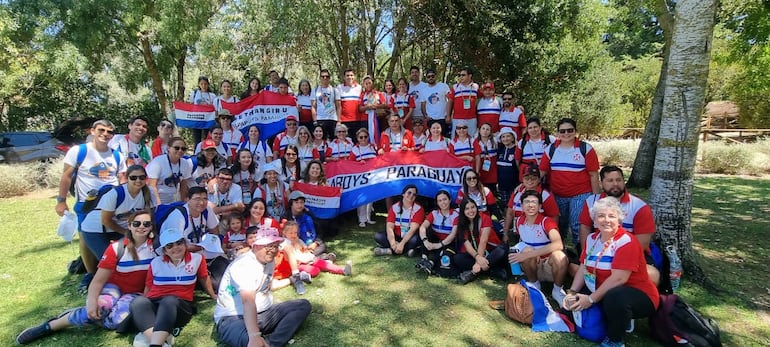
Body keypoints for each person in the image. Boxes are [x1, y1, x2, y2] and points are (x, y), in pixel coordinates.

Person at [16, 212, 155, 345]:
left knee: (117, 321)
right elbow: (98, 280)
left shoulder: (155, 249)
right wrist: (91, 302)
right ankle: (50, 326)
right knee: (97, 309)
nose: (141, 226)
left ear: (151, 227)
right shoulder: (117, 247)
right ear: (129, 226)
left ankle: (86, 313)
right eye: (136, 223)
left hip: (136, 293)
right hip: (113, 288)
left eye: (146, 223)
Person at [563, 197, 659, 347]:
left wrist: (590, 300)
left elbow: (618, 279)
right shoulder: (591, 239)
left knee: (615, 297)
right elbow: (583, 267)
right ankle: (616, 318)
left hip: (637, 294)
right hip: (601, 289)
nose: (606, 220)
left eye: (611, 216)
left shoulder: (626, 241)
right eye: (601, 216)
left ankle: (615, 340)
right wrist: (572, 292)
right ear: (594, 220)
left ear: (619, 220)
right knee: (570, 306)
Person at [56, 119, 127, 293]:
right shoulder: (79, 151)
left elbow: (123, 179)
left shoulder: (116, 155)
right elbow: (66, 176)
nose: (105, 134)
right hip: (87, 204)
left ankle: (116, 268)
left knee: (116, 233)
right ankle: (90, 273)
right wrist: (61, 201)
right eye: (101, 130)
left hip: (111, 203)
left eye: (109, 132)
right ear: (92, 131)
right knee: (85, 237)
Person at [213, 225, 311, 347]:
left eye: (275, 246)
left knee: (302, 305)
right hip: (232, 318)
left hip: (263, 314)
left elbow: (266, 286)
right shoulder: (244, 264)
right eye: (268, 246)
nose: (272, 250)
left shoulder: (268, 259)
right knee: (251, 342)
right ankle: (258, 340)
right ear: (256, 245)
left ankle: (271, 342)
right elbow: (248, 301)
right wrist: (254, 336)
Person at [131, 228, 217, 347]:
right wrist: (145, 304)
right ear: (165, 250)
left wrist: (213, 295)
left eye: (179, 243)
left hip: (180, 305)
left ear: (185, 244)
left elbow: (204, 278)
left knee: (169, 300)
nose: (176, 248)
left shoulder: (197, 259)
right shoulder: (156, 262)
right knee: (138, 301)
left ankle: (155, 343)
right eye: (170, 246)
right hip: (156, 301)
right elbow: (149, 286)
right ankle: (160, 343)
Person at [578, 165, 660, 284]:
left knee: (652, 275)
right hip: (598, 250)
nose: (615, 184)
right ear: (601, 184)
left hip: (629, 255)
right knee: (574, 267)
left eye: (619, 180)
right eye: (610, 181)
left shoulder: (639, 206)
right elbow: (584, 227)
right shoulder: (591, 201)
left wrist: (615, 261)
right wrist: (586, 253)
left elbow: (642, 243)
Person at [540, 117, 601, 247]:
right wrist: (525, 186)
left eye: (570, 130)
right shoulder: (551, 149)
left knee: (577, 224)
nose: (566, 134)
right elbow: (542, 172)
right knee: (558, 224)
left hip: (580, 194)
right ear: (557, 133)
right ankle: (559, 252)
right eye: (562, 131)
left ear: (575, 131)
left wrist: (596, 199)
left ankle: (581, 253)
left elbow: (594, 175)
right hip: (557, 194)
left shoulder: (585, 149)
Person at [508, 190, 569, 303]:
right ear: (522, 205)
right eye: (527, 202)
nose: (530, 205)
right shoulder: (519, 221)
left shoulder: (546, 221)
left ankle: (557, 290)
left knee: (559, 256)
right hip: (533, 266)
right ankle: (535, 286)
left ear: (540, 206)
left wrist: (530, 253)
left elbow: (558, 244)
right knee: (526, 250)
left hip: (549, 266)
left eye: (534, 202)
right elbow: (523, 241)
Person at [83, 164, 157, 238]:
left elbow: (150, 217)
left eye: (142, 177)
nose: (138, 180)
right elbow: (105, 220)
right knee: (112, 250)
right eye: (133, 178)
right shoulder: (115, 193)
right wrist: (126, 233)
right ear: (127, 178)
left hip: (122, 230)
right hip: (96, 229)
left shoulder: (149, 192)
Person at [455, 198, 507, 284]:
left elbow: (483, 241)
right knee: (458, 258)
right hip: (476, 252)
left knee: (502, 249)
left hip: (491, 250)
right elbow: (467, 244)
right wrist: (477, 258)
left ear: (476, 207)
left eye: (473, 207)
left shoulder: (484, 218)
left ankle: (474, 272)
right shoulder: (461, 222)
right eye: (467, 209)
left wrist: (477, 263)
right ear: (463, 211)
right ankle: (492, 271)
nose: (471, 211)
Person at [281, 220, 352, 278]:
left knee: (323, 264)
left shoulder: (299, 240)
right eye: (291, 233)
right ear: (284, 232)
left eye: (295, 233)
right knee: (315, 271)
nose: (293, 235)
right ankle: (302, 275)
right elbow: (286, 257)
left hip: (309, 260)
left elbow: (304, 249)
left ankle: (343, 270)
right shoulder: (284, 242)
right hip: (298, 265)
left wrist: (300, 245)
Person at [503, 164, 560, 235]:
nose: (530, 180)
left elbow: (554, 216)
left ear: (539, 180)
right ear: (522, 179)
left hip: (539, 234)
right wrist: (505, 233)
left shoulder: (545, 195)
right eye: (527, 178)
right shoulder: (517, 192)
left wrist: (550, 235)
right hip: (518, 232)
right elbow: (509, 213)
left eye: (533, 178)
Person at [159, 187, 220, 251]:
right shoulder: (178, 216)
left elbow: (215, 232)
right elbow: (176, 246)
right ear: (188, 200)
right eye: (197, 199)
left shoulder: (206, 210)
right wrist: (204, 247)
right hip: (177, 252)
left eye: (205, 199)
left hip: (199, 249)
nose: (202, 203)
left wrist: (212, 243)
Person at [415, 190, 459, 275]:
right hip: (436, 239)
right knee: (425, 232)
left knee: (445, 250)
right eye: (440, 200)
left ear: (450, 200)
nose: (443, 202)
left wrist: (439, 245)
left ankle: (430, 263)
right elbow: (422, 227)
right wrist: (425, 241)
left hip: (449, 242)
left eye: (445, 199)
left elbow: (453, 234)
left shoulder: (455, 215)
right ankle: (424, 258)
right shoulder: (434, 213)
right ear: (437, 203)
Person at [374, 184, 425, 257]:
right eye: (409, 193)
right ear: (403, 194)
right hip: (397, 235)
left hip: (410, 236)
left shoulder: (419, 209)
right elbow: (389, 228)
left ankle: (389, 251)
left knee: (416, 240)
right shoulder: (394, 207)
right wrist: (393, 244)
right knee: (378, 236)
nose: (411, 196)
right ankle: (407, 250)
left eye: (414, 194)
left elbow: (412, 230)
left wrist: (402, 244)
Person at [146, 137, 193, 204]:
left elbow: (183, 185)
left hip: (173, 199)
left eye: (183, 149)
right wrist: (158, 203)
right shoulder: (158, 162)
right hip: (156, 199)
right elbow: (152, 185)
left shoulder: (185, 163)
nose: (180, 150)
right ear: (168, 148)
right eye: (176, 148)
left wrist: (183, 202)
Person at [282, 191, 327, 256]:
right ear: (291, 204)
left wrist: (316, 243)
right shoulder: (286, 216)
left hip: (310, 242)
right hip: (295, 243)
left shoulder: (308, 214)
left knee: (322, 246)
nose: (299, 205)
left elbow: (319, 230)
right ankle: (319, 257)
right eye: (296, 202)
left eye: (301, 202)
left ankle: (312, 255)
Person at [349, 128, 378, 227]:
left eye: (365, 137)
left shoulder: (373, 147)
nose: (363, 139)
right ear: (357, 138)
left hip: (372, 176)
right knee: (361, 198)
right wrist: (358, 164)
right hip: (361, 177)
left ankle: (368, 218)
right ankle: (361, 219)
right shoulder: (355, 149)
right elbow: (350, 164)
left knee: (370, 198)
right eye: (361, 137)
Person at [515, 117, 555, 181]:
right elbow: (517, 160)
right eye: (530, 128)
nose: (533, 130)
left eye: (535, 127)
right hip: (529, 177)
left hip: (548, 175)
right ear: (527, 129)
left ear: (540, 127)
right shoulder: (522, 142)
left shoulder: (550, 139)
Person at [448, 67, 480, 136]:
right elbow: (450, 102)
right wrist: (448, 115)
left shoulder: (476, 86)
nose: (461, 77)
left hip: (472, 118)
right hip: (457, 118)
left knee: (472, 139)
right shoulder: (455, 87)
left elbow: (484, 96)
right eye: (460, 75)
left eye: (463, 75)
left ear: (470, 76)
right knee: (456, 138)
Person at [420, 68, 451, 138]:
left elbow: (450, 100)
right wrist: (425, 115)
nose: (430, 78)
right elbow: (423, 105)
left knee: (444, 139)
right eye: (428, 76)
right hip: (431, 119)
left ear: (435, 76)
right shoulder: (424, 90)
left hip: (443, 118)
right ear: (426, 78)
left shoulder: (443, 86)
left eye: (432, 76)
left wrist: (449, 114)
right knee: (432, 139)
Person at [311, 68, 341, 139]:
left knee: (333, 140)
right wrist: (315, 120)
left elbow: (338, 106)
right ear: (320, 78)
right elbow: (313, 106)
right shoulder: (315, 90)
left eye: (327, 76)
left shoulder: (335, 90)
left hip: (332, 119)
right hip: (320, 119)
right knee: (321, 140)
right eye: (323, 76)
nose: (325, 78)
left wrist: (339, 121)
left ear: (329, 78)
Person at [496, 127, 520, 211]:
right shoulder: (500, 150)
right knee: (506, 207)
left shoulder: (517, 149)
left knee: (515, 206)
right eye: (503, 137)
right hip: (502, 186)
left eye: (508, 136)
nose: (505, 139)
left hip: (514, 185)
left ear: (513, 137)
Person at [359, 75, 389, 141]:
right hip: (365, 119)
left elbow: (385, 105)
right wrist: (367, 107)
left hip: (377, 118)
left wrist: (376, 106)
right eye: (366, 84)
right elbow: (360, 108)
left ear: (372, 83)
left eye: (369, 83)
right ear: (364, 85)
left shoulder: (378, 94)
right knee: (366, 136)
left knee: (378, 134)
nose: (368, 85)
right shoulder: (362, 95)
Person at [189, 76, 217, 144]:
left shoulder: (212, 95)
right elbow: (190, 105)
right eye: (202, 84)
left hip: (208, 120)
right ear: (199, 84)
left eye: (205, 84)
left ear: (208, 84)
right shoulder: (195, 93)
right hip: (197, 119)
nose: (203, 86)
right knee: (197, 140)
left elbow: (215, 107)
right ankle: (197, 153)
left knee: (208, 138)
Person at [337, 69, 364, 137]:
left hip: (357, 120)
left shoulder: (359, 87)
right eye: (347, 75)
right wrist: (338, 120)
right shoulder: (339, 87)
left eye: (351, 75)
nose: (349, 77)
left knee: (356, 142)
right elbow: (338, 105)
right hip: (344, 121)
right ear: (344, 77)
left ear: (354, 76)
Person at [474, 123, 498, 195]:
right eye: (483, 128)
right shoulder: (475, 142)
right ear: (479, 130)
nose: (485, 131)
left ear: (490, 132)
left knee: (491, 192)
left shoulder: (495, 141)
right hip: (481, 170)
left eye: (488, 129)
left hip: (492, 170)